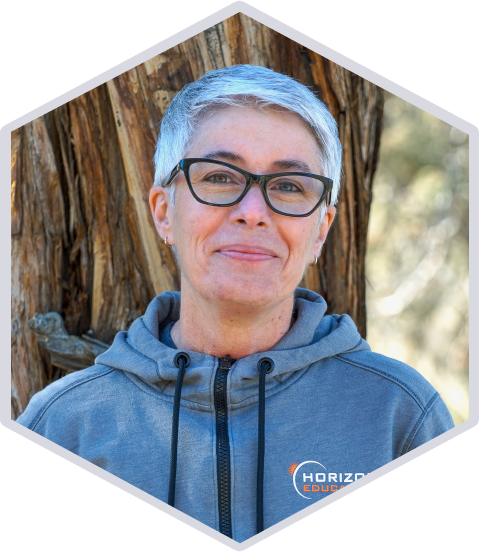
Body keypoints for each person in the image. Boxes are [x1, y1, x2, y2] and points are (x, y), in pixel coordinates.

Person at [16, 65, 454, 543]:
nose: (252, 213)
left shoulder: (397, 416)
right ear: (164, 213)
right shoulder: (63, 427)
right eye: (221, 177)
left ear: (320, 231)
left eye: (289, 185)